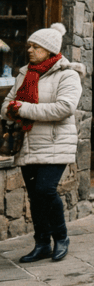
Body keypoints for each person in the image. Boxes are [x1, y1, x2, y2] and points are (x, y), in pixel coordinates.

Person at [3, 23, 84, 263]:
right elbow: (8, 102)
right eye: (29, 45)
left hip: (55, 142)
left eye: (35, 46)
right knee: (34, 196)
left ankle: (61, 237)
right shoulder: (23, 74)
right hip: (27, 143)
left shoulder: (67, 74)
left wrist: (23, 109)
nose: (29, 50)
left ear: (49, 50)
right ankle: (42, 243)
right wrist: (10, 110)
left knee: (45, 190)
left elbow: (65, 108)